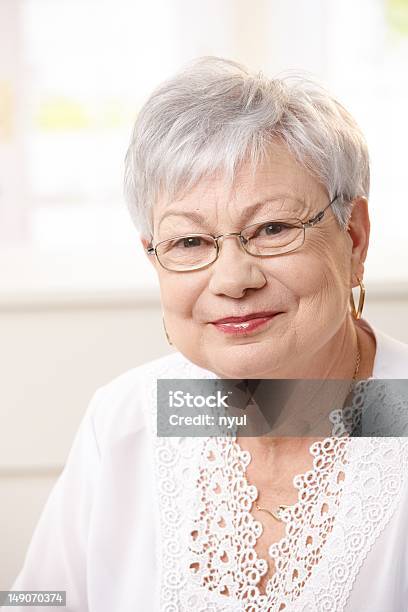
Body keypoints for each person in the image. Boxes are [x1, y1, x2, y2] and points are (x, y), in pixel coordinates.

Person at [10, 57, 408, 611]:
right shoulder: (126, 418)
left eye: (273, 229)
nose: (233, 280)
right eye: (189, 242)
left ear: (355, 237)